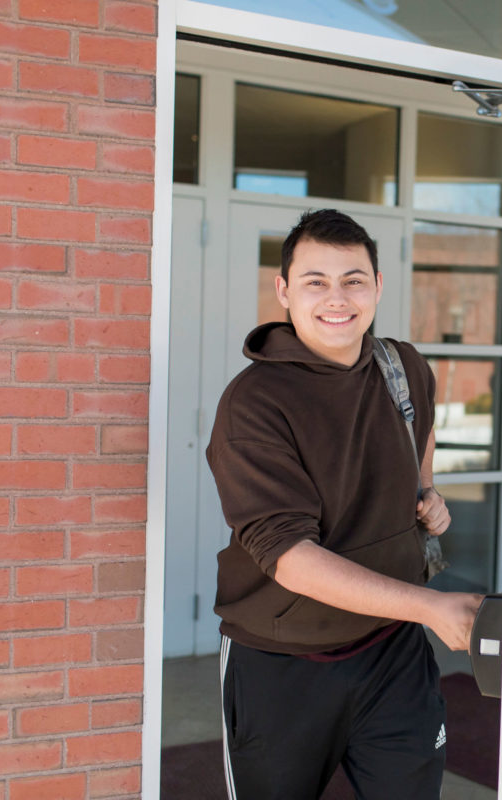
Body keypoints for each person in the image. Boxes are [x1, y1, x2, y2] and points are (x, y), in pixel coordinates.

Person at [206, 208, 483, 799]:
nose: (338, 298)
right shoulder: (254, 404)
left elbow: (419, 438)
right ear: (283, 290)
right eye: (315, 281)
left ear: (378, 287)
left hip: (394, 651)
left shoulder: (402, 367)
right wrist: (432, 608)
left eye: (354, 279)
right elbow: (290, 557)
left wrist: (425, 493)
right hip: (283, 663)